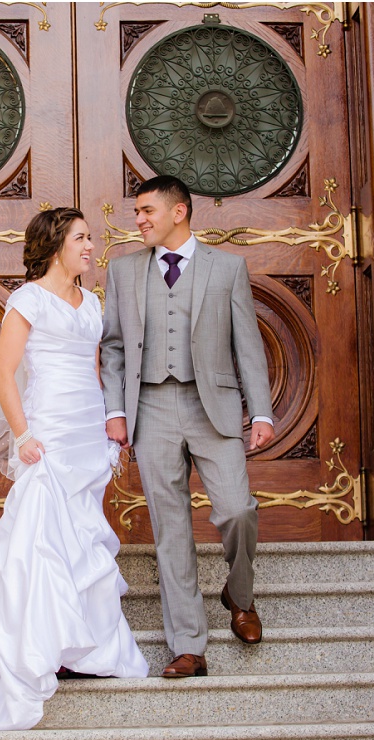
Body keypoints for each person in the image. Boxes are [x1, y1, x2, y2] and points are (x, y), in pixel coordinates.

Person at [0, 207, 148, 731]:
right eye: (81, 238)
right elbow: (3, 373)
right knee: (39, 539)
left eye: (90, 238)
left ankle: (82, 648)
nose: (90, 246)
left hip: (86, 434)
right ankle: (38, 646)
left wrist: (111, 425)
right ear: (57, 243)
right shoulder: (28, 299)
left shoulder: (92, 303)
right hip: (48, 432)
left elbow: (98, 370)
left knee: (83, 539)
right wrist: (23, 434)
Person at [100, 175, 274, 679]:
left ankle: (239, 596)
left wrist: (259, 412)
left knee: (237, 510)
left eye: (148, 211)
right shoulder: (124, 271)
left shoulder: (228, 268)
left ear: (179, 212)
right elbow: (112, 347)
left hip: (213, 406)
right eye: (137, 212)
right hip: (149, 407)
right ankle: (189, 646)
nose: (139, 220)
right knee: (170, 529)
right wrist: (115, 411)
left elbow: (248, 345)